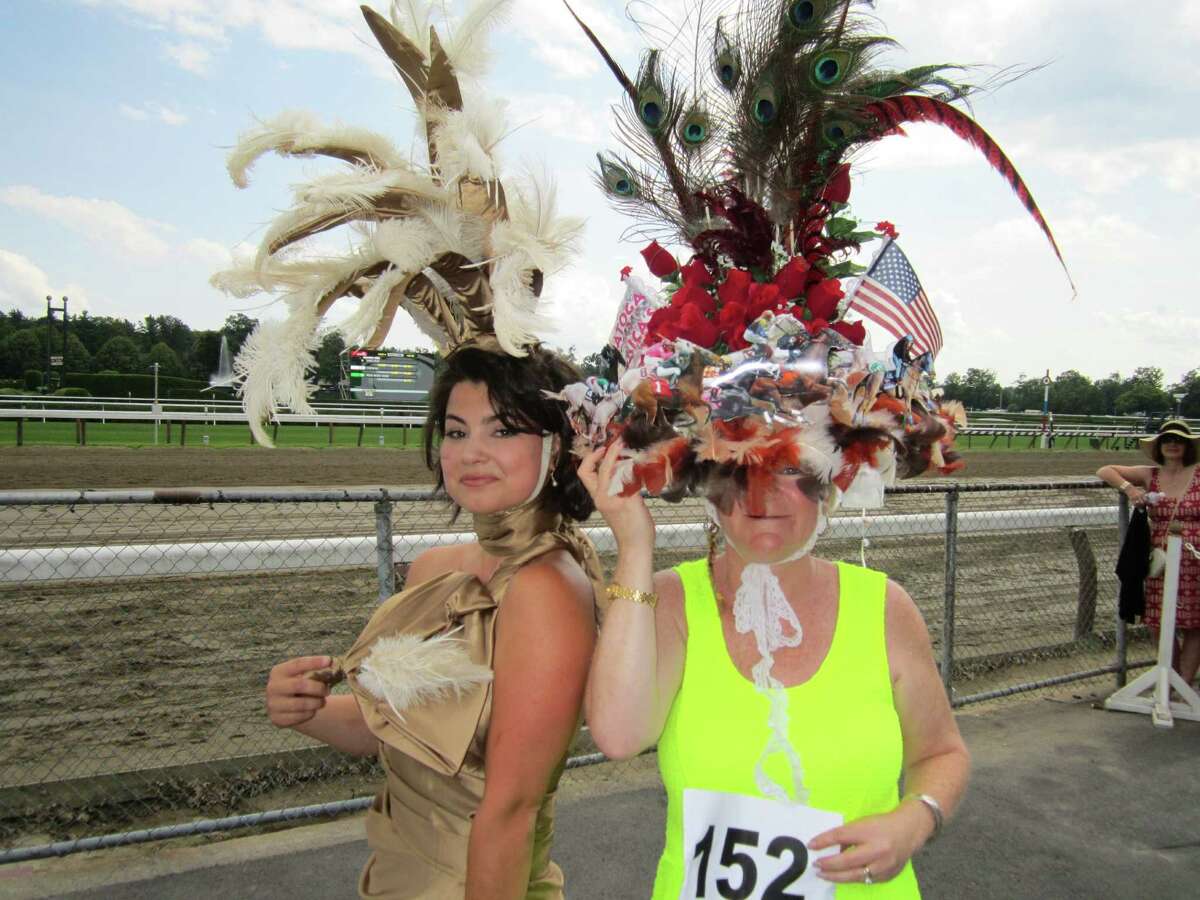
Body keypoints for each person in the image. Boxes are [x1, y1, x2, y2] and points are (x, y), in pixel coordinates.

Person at [267, 343, 601, 898]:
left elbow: (511, 811)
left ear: (558, 448)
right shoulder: (433, 569)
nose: (471, 453)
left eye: (502, 430)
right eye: (455, 431)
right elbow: (402, 731)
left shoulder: (547, 590)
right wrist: (307, 708)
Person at [1098, 419, 1200, 685]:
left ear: (1188, 446)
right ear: (1159, 446)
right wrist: (1130, 490)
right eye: (1167, 440)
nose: (1173, 444)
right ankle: (1170, 677)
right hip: (1160, 559)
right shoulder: (1149, 474)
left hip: (1195, 558)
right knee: (1157, 619)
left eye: (1179, 440)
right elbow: (1105, 470)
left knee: (1194, 622)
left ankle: (1184, 681)